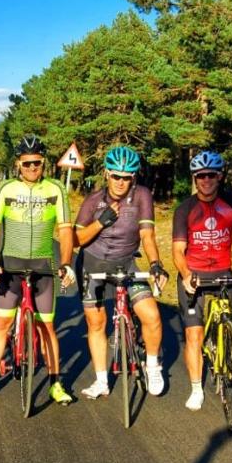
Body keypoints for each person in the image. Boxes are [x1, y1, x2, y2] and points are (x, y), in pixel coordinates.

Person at [0, 134, 76, 405]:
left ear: (44, 163)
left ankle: (56, 383)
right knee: (2, 323)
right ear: (18, 164)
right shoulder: (5, 189)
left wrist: (66, 263)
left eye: (37, 163)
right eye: (27, 163)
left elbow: (65, 231)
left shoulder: (55, 189)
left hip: (43, 266)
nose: (32, 168)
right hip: (10, 265)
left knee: (47, 327)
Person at [172, 150, 232, 411]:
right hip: (194, 275)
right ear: (195, 178)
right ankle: (196, 388)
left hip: (224, 273)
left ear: (220, 176)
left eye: (211, 175)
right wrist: (185, 275)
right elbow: (177, 251)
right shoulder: (185, 209)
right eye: (200, 175)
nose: (206, 180)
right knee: (194, 335)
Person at [74, 145, 168, 399]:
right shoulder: (94, 200)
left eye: (127, 177)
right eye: (116, 176)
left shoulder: (142, 196)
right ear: (106, 173)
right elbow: (76, 239)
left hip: (125, 263)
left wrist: (156, 263)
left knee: (151, 314)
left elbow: (147, 235)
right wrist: (100, 221)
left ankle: (152, 366)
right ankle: (101, 381)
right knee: (96, 323)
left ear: (134, 177)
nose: (120, 182)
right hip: (92, 265)